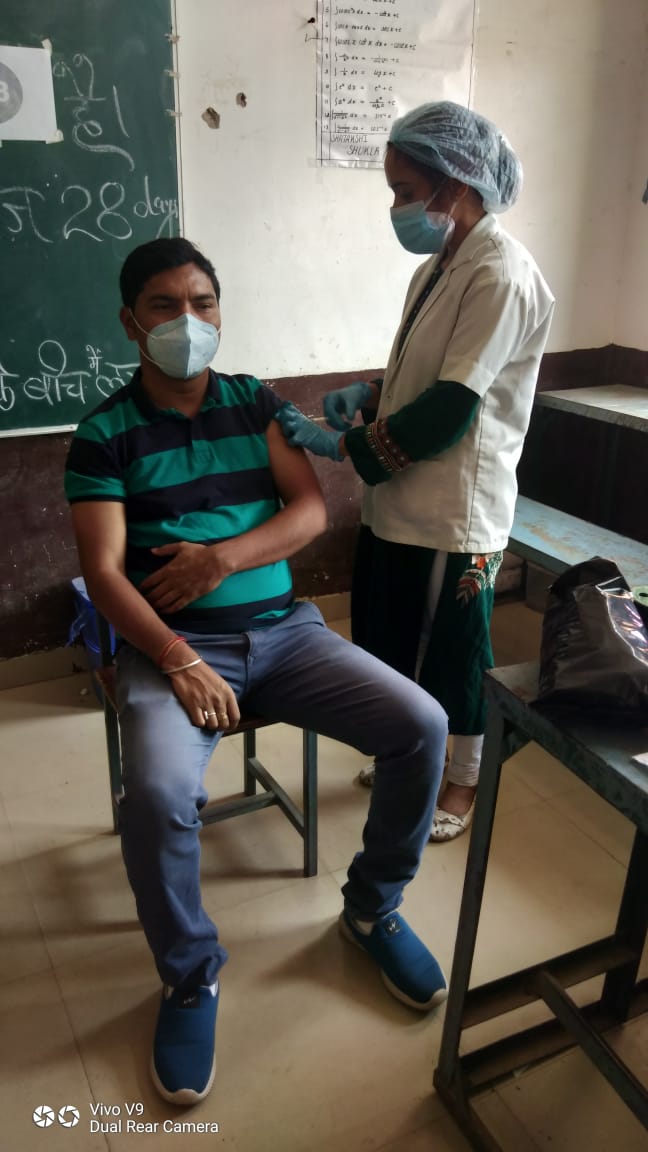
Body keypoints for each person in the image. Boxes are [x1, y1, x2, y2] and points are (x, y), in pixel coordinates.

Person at [64, 237, 449, 1106]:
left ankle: (372, 907)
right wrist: (176, 657)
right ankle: (189, 974)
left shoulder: (255, 402)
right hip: (174, 654)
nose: (189, 321)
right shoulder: (104, 434)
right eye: (165, 306)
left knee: (421, 724)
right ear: (130, 322)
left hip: (285, 634)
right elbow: (106, 576)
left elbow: (309, 510)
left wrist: (222, 559)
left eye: (203, 303)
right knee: (157, 795)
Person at [276, 101, 555, 843]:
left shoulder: (500, 274)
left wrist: (342, 447)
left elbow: (451, 409)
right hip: (405, 497)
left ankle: (462, 778)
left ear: (456, 184)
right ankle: (412, 753)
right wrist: (371, 393)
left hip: (457, 505)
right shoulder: (439, 267)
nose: (397, 207)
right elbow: (425, 373)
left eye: (405, 191)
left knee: (454, 649)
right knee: (394, 635)